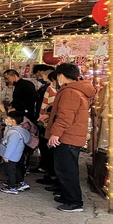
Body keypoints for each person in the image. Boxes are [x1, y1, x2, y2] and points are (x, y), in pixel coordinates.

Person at [46, 63, 95, 213]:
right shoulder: (79, 90)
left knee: (67, 170)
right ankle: (67, 195)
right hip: (72, 135)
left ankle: (74, 202)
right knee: (65, 168)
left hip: (68, 137)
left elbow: (65, 116)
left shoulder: (71, 92)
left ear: (61, 75)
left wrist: (55, 133)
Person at [33, 66, 57, 178]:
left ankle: (48, 170)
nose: (41, 77)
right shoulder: (49, 87)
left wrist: (44, 116)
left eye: (43, 76)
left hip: (48, 122)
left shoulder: (51, 88)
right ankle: (47, 169)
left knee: (47, 147)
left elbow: (49, 106)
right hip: (45, 119)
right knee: (45, 146)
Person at [0, 111, 28, 195]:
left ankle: (12, 186)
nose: (6, 119)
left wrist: (6, 156)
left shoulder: (14, 133)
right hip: (16, 155)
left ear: (13, 121)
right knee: (15, 169)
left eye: (8, 118)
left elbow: (11, 146)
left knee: (10, 170)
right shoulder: (21, 130)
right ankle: (19, 182)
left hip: (11, 156)